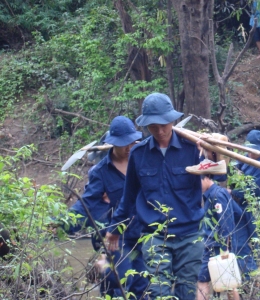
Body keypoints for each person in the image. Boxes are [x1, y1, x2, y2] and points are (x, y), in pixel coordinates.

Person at [106, 93, 204, 299]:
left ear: (172, 120)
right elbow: (129, 196)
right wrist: (115, 229)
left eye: (164, 125)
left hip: (189, 235)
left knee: (187, 292)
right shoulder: (138, 154)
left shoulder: (193, 148)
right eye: (153, 126)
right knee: (159, 292)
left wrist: (213, 153)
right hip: (155, 236)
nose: (160, 131)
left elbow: (220, 173)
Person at [67, 116, 148, 298]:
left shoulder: (142, 160)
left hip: (143, 233)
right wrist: (65, 222)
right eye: (123, 144)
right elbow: (87, 202)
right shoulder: (101, 172)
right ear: (113, 144)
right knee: (118, 282)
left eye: (131, 143)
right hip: (116, 236)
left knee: (143, 284)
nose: (128, 148)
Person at [229, 130, 260, 280]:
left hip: (256, 208)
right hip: (244, 206)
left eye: (257, 150)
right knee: (241, 242)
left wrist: (231, 190)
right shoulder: (247, 157)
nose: (253, 154)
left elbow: (247, 190)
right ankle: (250, 276)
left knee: (258, 242)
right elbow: (236, 166)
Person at [197, 174, 240, 300]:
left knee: (203, 280)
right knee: (228, 283)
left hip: (216, 245)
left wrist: (224, 249)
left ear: (205, 178)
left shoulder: (217, 196)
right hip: (215, 244)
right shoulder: (216, 194)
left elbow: (225, 223)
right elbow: (237, 212)